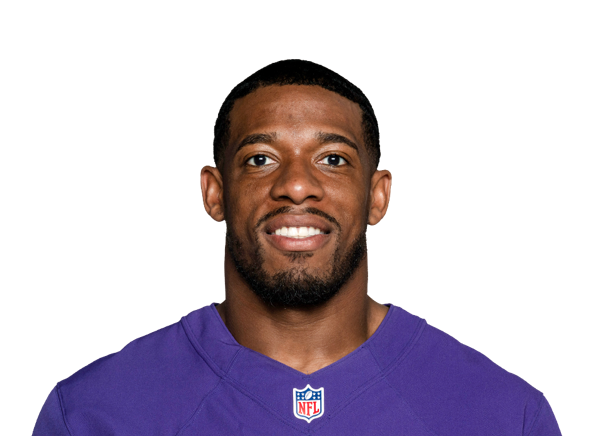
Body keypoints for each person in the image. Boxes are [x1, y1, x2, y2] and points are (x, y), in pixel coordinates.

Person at [33, 59, 562, 435]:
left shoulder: (505, 415)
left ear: (378, 196)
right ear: (214, 194)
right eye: (260, 159)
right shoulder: (92, 414)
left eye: (333, 159)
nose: (296, 185)